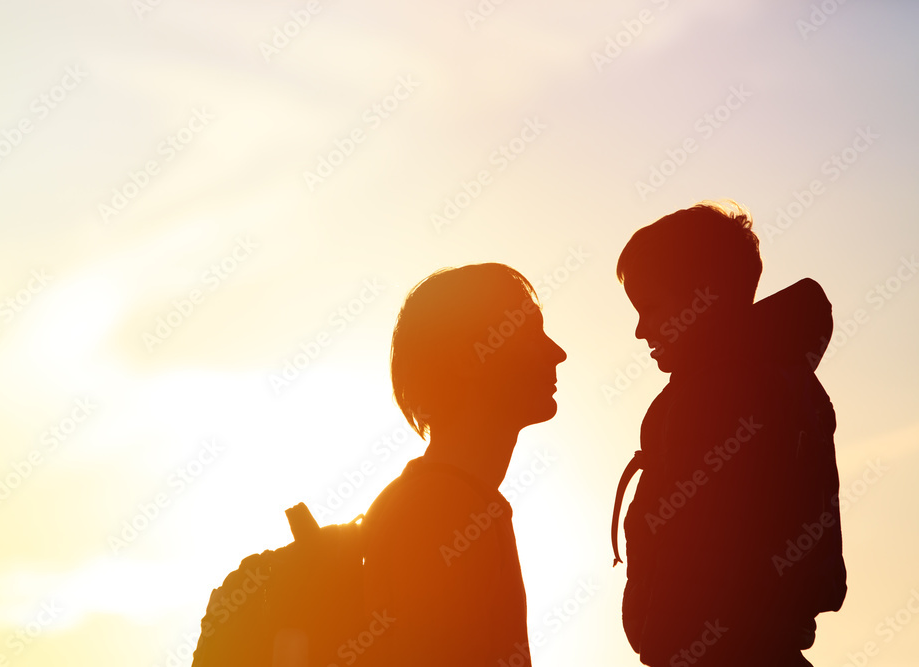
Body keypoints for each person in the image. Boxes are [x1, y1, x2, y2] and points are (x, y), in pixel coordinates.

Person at [611, 201, 846, 667]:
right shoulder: (780, 384)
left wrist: (668, 646)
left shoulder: (718, 396)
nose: (640, 330)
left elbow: (698, 554)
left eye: (650, 308)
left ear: (704, 296)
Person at [360, 262, 566, 667]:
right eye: (529, 332)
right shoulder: (443, 509)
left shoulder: (453, 499)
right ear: (468, 358)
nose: (557, 352)